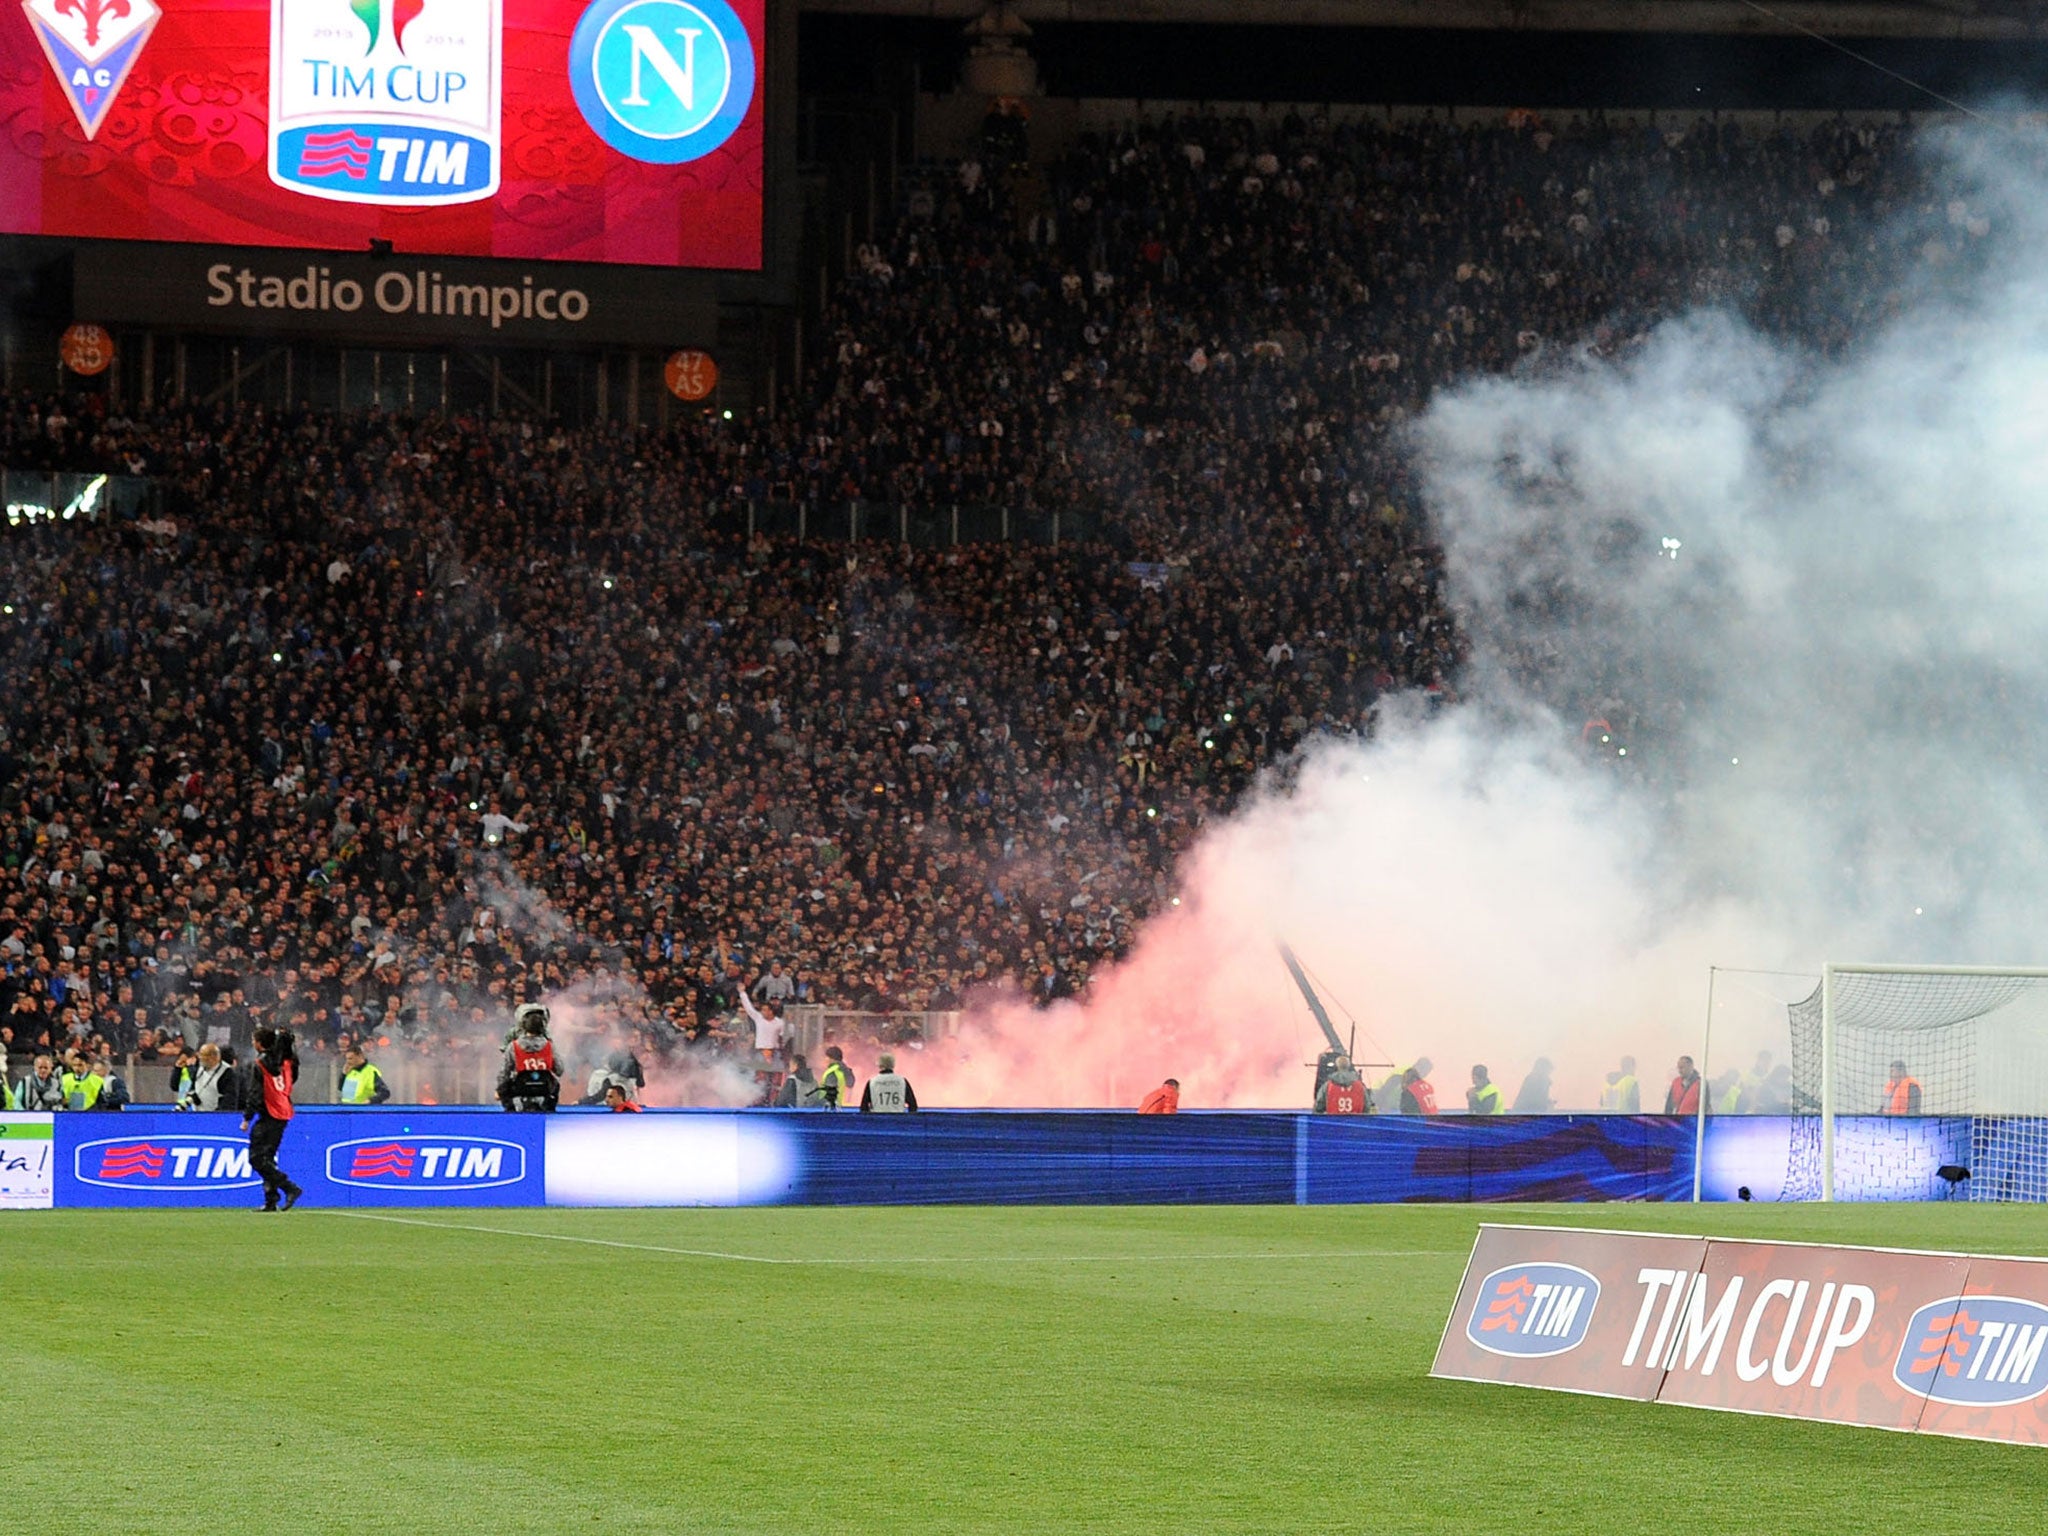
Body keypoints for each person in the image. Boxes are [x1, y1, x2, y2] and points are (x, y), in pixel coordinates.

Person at [240, 1026, 304, 1212]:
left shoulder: (260, 1063)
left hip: (269, 1112)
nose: (253, 1043)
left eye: (254, 1040)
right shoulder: (288, 1062)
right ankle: (271, 1200)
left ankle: (289, 1188)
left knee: (256, 1158)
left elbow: (255, 1093)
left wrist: (247, 1117)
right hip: (284, 1110)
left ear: (260, 1044)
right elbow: (293, 1080)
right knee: (268, 1157)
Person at [498, 1003, 560, 1113]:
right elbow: (559, 1069)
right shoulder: (550, 1045)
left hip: (519, 1087)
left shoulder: (513, 1046)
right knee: (556, 1084)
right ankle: (550, 1109)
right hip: (545, 1088)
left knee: (504, 1086)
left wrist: (499, 1090)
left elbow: (504, 1072)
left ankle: (510, 1111)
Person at [181, 1043, 239, 1112]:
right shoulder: (199, 1068)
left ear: (213, 1057)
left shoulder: (227, 1073)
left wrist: (218, 1115)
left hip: (215, 1116)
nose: (200, 1058)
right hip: (197, 1113)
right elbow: (192, 1087)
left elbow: (229, 1100)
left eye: (203, 1055)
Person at [818, 1045, 855, 1110]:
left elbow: (828, 1092)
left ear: (831, 1058)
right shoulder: (848, 1071)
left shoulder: (831, 1072)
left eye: (826, 1057)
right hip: (846, 1108)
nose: (825, 1059)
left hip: (832, 1108)